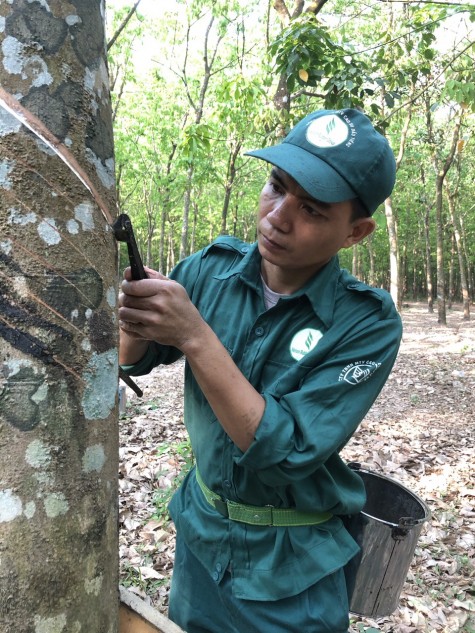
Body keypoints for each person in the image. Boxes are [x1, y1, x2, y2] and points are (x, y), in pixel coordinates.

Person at [119, 108, 403, 633]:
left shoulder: (365, 322)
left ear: (356, 232)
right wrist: (138, 312)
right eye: (276, 186)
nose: (278, 216)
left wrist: (195, 335)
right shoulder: (211, 269)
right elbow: (133, 358)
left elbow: (286, 451)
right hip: (201, 543)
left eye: (312, 208)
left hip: (291, 570)